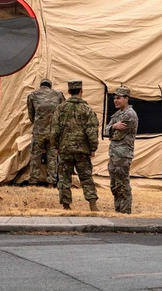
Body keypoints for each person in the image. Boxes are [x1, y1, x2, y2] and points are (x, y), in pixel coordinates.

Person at [51, 80, 99, 211]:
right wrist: (93, 147)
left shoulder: (60, 108)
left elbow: (54, 129)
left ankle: (66, 205)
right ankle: (92, 204)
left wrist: (55, 146)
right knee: (86, 177)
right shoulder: (87, 109)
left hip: (64, 149)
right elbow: (91, 130)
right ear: (81, 91)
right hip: (82, 150)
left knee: (64, 178)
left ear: (68, 92)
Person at [104, 86, 138, 214]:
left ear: (126, 99)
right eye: (114, 98)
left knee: (122, 185)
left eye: (119, 98)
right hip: (114, 154)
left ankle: (125, 212)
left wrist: (112, 129)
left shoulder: (129, 115)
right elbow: (107, 131)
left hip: (123, 155)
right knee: (115, 185)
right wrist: (114, 126)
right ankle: (118, 211)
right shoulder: (118, 114)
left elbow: (116, 136)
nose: (115, 101)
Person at [27, 78, 65, 186]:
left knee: (35, 157)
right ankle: (51, 183)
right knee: (52, 157)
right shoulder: (58, 95)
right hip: (53, 132)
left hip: (39, 131)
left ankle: (33, 181)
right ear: (50, 86)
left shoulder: (33, 95)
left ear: (41, 85)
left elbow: (31, 115)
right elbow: (62, 113)